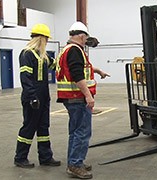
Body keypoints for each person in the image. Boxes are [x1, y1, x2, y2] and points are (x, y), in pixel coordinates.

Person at [56, 21, 110, 179]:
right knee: (82, 132)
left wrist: (97, 70)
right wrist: (88, 95)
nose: (87, 40)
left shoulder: (67, 49)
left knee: (75, 132)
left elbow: (78, 68)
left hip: (70, 98)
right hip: (77, 98)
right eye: (85, 37)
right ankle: (75, 164)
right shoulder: (75, 50)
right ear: (81, 36)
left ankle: (74, 162)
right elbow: (77, 75)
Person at [14, 24, 61, 168]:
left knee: (43, 127)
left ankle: (45, 157)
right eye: (46, 39)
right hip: (32, 97)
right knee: (29, 127)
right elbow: (26, 78)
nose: (47, 42)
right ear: (41, 38)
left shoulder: (43, 56)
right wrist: (32, 97)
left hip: (44, 97)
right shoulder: (26, 54)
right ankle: (20, 157)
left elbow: (57, 65)